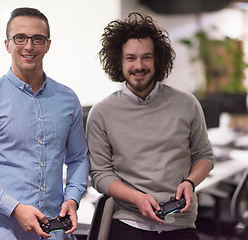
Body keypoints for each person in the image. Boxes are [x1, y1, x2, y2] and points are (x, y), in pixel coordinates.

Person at [0, 7, 89, 240]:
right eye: (20, 38)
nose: (29, 46)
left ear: (47, 45)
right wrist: (15, 208)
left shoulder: (67, 99)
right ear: (7, 44)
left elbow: (78, 158)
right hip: (4, 233)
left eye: (37, 39)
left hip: (57, 232)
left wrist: (73, 199)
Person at [86, 12, 215, 240]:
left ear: (158, 60)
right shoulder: (101, 113)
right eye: (131, 58)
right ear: (119, 61)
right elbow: (100, 174)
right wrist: (137, 198)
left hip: (181, 223)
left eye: (146, 57)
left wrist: (190, 182)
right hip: (128, 222)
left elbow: (204, 156)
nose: (139, 65)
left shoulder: (186, 103)